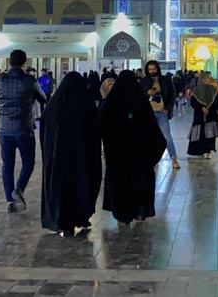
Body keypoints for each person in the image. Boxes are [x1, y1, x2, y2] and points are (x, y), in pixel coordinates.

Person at [40, 71, 102, 236]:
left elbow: (44, 132)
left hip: (57, 157)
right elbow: (95, 133)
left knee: (59, 187)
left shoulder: (53, 106)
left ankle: (60, 219)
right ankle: (80, 216)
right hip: (82, 159)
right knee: (81, 185)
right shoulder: (87, 106)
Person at [100, 71, 166, 224]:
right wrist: (151, 157)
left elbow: (102, 127)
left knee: (119, 186)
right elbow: (155, 134)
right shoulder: (141, 103)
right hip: (140, 157)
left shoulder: (110, 104)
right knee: (140, 184)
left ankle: (122, 214)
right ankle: (139, 212)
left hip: (117, 156)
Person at [0, 50, 47, 213]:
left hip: (4, 128)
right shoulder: (29, 81)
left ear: (9, 62)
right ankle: (19, 188)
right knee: (28, 161)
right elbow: (43, 99)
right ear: (24, 62)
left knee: (7, 164)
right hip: (24, 128)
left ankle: (10, 201)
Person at [140, 60, 180, 170]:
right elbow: (138, 96)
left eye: (154, 69)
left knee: (167, 136)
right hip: (148, 112)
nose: (152, 71)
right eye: (150, 69)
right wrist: (147, 93)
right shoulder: (144, 82)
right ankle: (153, 159)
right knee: (150, 136)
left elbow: (172, 94)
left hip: (161, 111)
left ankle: (174, 158)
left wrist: (168, 108)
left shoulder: (165, 80)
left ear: (157, 69)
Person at [188, 71, 218, 159]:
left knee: (210, 134)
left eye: (207, 78)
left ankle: (208, 150)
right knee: (200, 133)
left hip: (211, 115)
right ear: (200, 79)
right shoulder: (195, 90)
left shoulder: (212, 89)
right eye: (204, 78)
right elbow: (193, 103)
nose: (206, 80)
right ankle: (200, 150)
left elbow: (217, 101)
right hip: (200, 116)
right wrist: (201, 108)